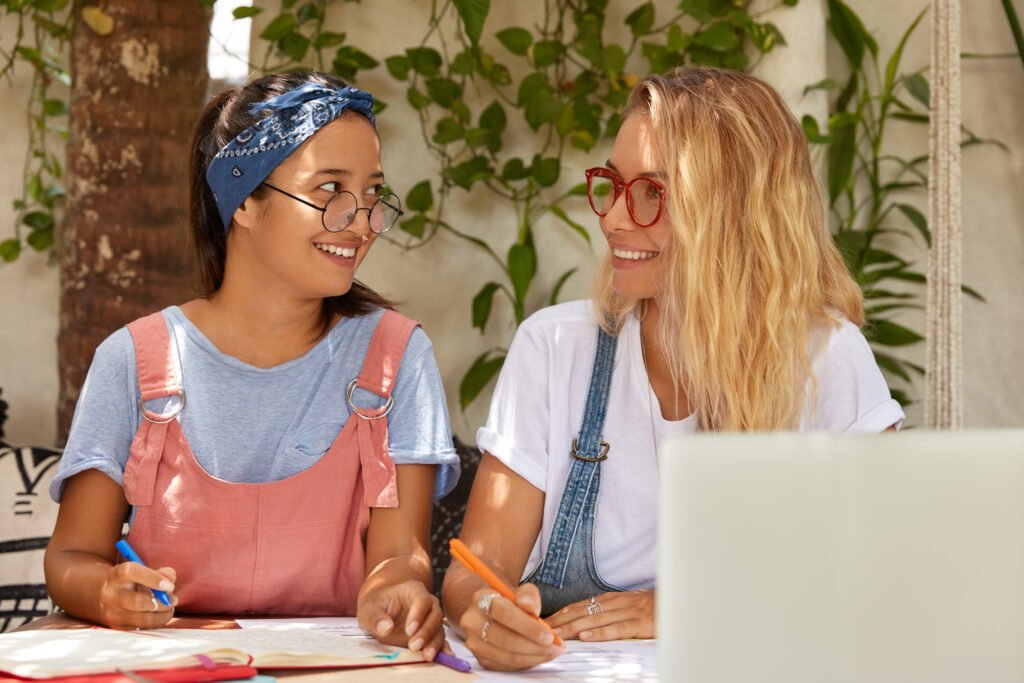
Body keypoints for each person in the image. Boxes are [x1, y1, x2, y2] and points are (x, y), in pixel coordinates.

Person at [442, 66, 905, 671]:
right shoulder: (554, 348)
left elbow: (886, 580)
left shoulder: (824, 359)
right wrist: (484, 612)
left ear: (737, 211)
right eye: (613, 184)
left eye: (652, 193)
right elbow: (474, 570)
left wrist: (691, 604)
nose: (613, 218)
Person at [44, 71, 459, 661]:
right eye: (330, 190)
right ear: (242, 201)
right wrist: (105, 591)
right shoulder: (132, 360)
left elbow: (399, 559)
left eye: (372, 194)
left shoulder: (398, 358)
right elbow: (72, 557)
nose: (362, 221)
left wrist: (396, 596)